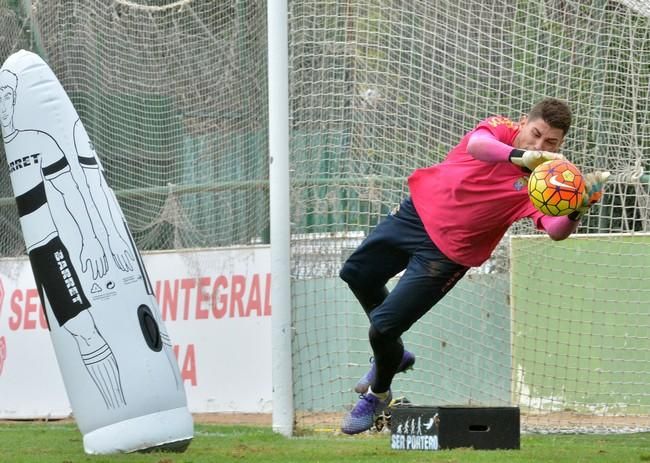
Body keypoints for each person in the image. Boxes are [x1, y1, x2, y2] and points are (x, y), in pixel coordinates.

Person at [339, 97, 610, 434]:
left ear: (561, 144)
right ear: (524, 122)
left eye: (550, 142)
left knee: (382, 328)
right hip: (416, 214)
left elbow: (556, 231)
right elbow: (479, 145)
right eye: (535, 134)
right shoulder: (500, 130)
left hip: (448, 254)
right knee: (354, 274)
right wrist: (520, 155)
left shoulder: (550, 180)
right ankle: (393, 357)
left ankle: (378, 393)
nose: (539, 145)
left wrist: (577, 208)